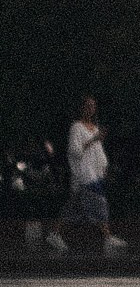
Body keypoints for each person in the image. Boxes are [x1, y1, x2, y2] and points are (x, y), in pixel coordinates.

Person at [46, 96, 122, 256]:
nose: (91, 109)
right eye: (87, 106)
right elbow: (75, 150)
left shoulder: (95, 128)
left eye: (93, 106)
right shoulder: (76, 127)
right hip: (84, 174)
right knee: (100, 203)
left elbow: (98, 151)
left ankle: (55, 234)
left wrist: (103, 166)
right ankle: (107, 238)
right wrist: (94, 139)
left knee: (74, 208)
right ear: (81, 108)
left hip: (95, 173)